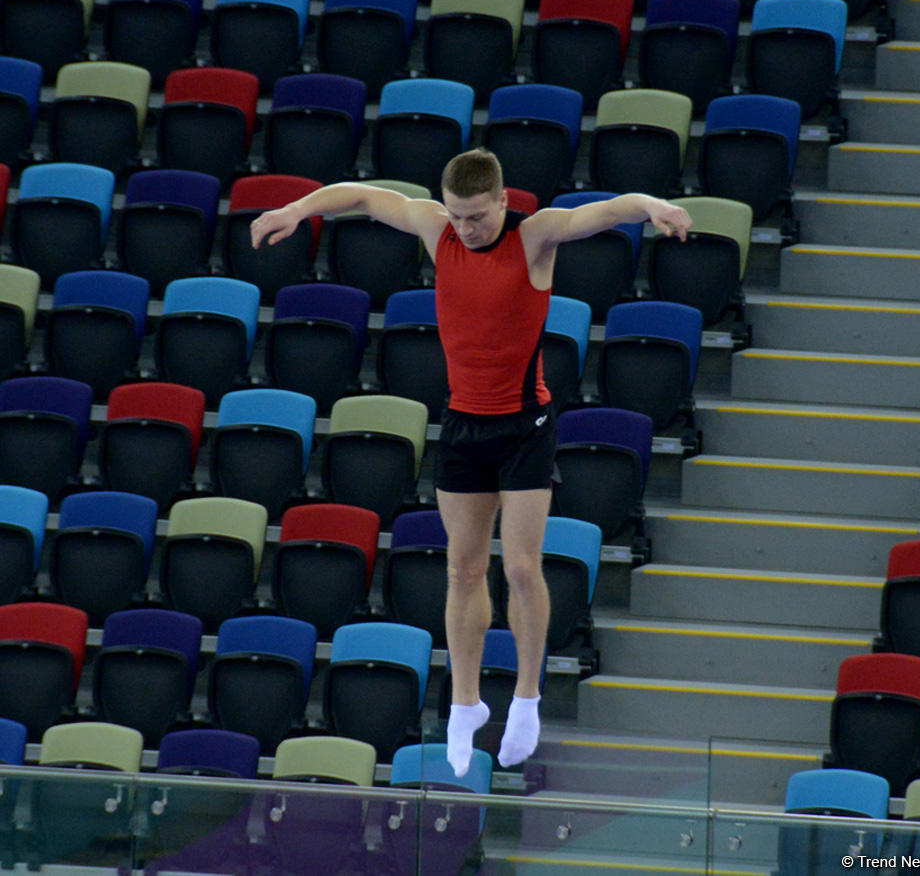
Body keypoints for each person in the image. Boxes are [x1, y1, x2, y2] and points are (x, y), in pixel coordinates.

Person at [250, 149, 692, 778]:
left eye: (478, 217)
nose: (466, 228)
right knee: (462, 570)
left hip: (525, 426)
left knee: (522, 566)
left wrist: (652, 207)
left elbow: (604, 212)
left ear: (503, 202)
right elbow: (364, 195)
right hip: (463, 425)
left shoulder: (533, 238)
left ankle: (527, 699)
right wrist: (298, 209)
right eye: (457, 216)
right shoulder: (439, 229)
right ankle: (465, 705)